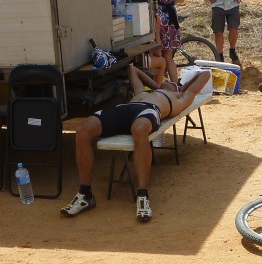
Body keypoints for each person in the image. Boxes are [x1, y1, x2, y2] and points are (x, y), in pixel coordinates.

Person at [60, 65, 210, 222]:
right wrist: (158, 87)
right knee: (83, 130)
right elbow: (133, 70)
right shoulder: (142, 92)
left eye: (170, 82)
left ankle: (142, 196)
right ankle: (85, 194)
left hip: (148, 110)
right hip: (122, 109)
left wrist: (180, 87)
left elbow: (205, 74)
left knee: (139, 130)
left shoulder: (180, 97)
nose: (166, 81)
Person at [156, 0, 184, 84]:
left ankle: (158, 85)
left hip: (159, 17)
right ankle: (174, 85)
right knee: (168, 57)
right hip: (171, 17)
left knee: (158, 55)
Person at [209, 0, 241, 66]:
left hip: (233, 4)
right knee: (218, 32)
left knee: (233, 30)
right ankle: (220, 56)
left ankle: (232, 51)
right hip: (217, 5)